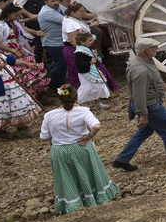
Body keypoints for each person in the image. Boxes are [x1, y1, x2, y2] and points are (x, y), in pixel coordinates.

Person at [111, 39, 166, 171]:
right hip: (151, 107)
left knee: (144, 132)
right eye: (154, 48)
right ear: (146, 50)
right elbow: (140, 95)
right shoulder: (141, 70)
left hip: (149, 105)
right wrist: (143, 114)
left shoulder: (140, 62)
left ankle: (122, 159)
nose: (156, 50)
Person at [39, 85, 118, 214]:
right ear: (76, 97)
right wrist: (88, 137)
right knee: (86, 173)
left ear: (59, 99)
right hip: (80, 147)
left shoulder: (49, 115)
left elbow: (44, 137)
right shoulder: (83, 111)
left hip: (59, 151)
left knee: (66, 177)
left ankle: (73, 204)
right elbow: (97, 126)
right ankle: (93, 198)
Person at [36, 0, 67, 88]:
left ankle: (47, 79)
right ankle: (54, 85)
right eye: (52, 1)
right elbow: (67, 20)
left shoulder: (57, 7)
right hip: (53, 43)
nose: (56, 2)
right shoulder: (47, 12)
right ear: (46, 2)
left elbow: (70, 13)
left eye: (57, 0)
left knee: (57, 63)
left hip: (58, 41)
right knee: (61, 65)